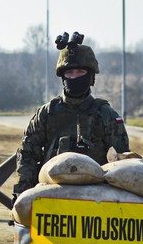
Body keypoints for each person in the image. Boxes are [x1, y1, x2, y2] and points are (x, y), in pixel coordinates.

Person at [14, 32, 130, 195]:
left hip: (95, 195)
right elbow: (27, 155)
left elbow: (121, 162)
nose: (74, 77)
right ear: (62, 77)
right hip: (51, 192)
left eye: (80, 72)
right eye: (69, 72)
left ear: (90, 76)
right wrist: (22, 191)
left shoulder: (106, 115)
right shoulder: (46, 113)